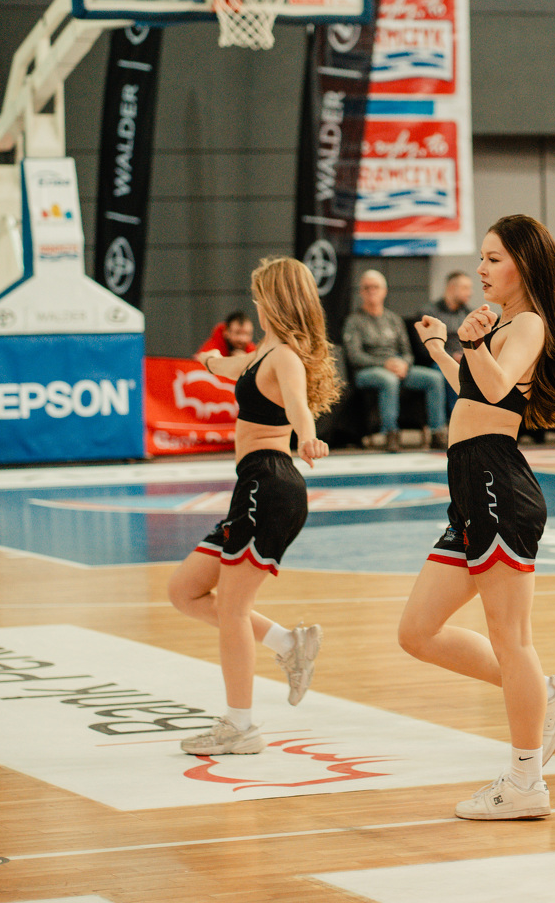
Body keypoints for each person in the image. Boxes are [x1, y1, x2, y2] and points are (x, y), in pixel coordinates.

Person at [399, 214, 555, 820]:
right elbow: (474, 386)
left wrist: (471, 344)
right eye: (482, 257)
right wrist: (442, 348)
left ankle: (525, 781)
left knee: (510, 639)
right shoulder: (501, 325)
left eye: (494, 259)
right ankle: (542, 693)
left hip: (497, 486)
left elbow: (495, 388)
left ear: (524, 264)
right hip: (472, 490)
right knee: (417, 631)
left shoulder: (530, 324)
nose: (482, 268)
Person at [167, 257, 337, 756]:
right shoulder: (262, 351)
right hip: (256, 486)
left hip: (271, 483)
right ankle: (289, 644)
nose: (256, 305)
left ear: (275, 302)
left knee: (233, 610)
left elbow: (299, 404)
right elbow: (229, 367)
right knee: (185, 591)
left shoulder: (284, 356)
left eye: (260, 297)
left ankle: (239, 726)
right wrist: (208, 362)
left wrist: (308, 437)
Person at [343, 268, 448, 451]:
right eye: (367, 287)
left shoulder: (393, 319)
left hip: (398, 367)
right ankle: (390, 433)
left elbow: (407, 352)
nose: (371, 291)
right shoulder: (354, 321)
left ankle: (436, 432)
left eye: (376, 287)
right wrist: (384, 364)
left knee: (434, 378)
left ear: (384, 291)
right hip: (367, 371)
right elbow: (354, 356)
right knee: (388, 380)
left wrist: (404, 364)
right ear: (361, 292)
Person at [425, 271, 474, 361]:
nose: (469, 293)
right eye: (465, 288)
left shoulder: (468, 312)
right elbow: (427, 347)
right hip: (439, 360)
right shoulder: (430, 313)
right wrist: (452, 356)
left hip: (465, 358)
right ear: (451, 288)